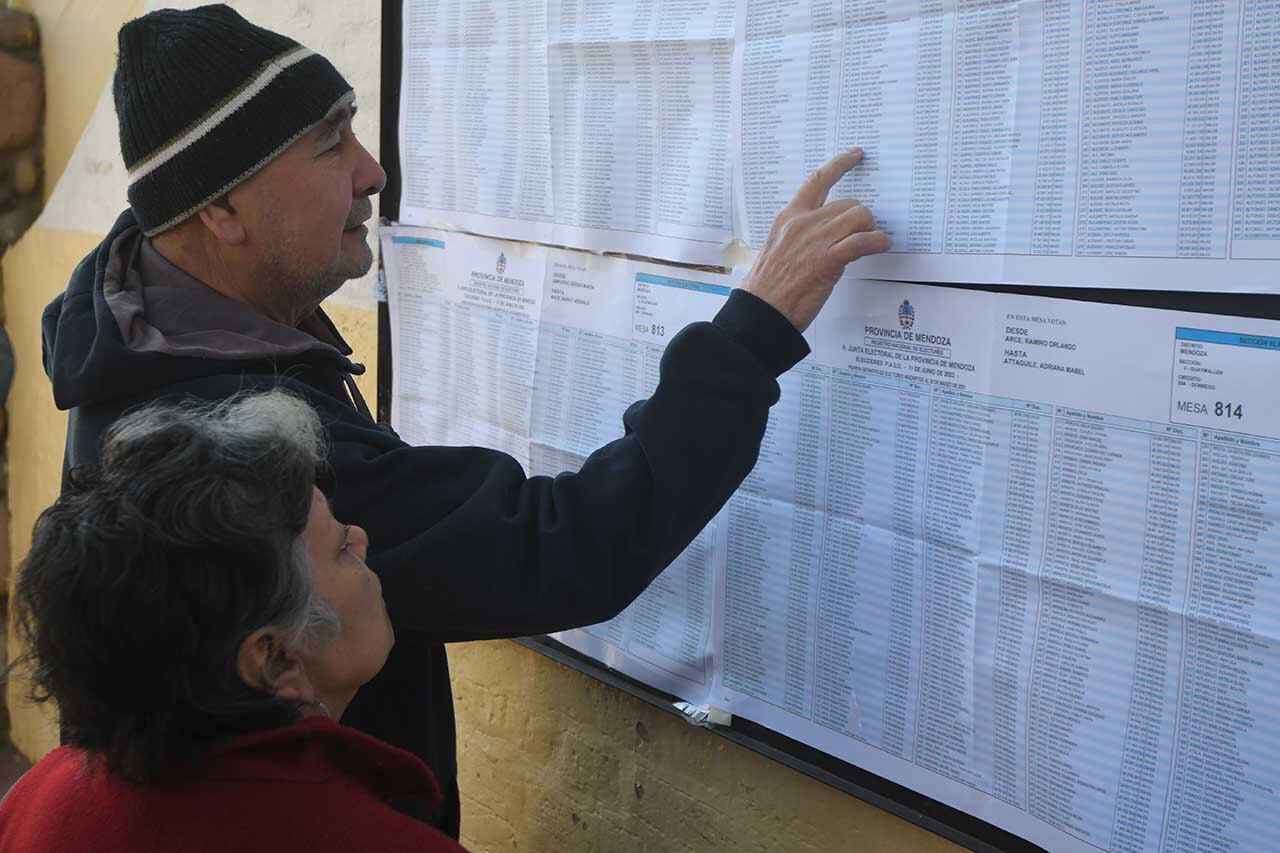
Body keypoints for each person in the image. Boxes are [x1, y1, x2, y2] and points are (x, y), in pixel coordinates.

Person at [41, 4, 890, 836]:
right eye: (330, 146)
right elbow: (563, 543)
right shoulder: (238, 452)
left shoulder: (142, 321)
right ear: (220, 212)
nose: (373, 171)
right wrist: (752, 331)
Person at [0, 391, 467, 853]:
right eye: (342, 549)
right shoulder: (372, 839)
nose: (361, 538)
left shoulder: (39, 795)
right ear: (274, 659)